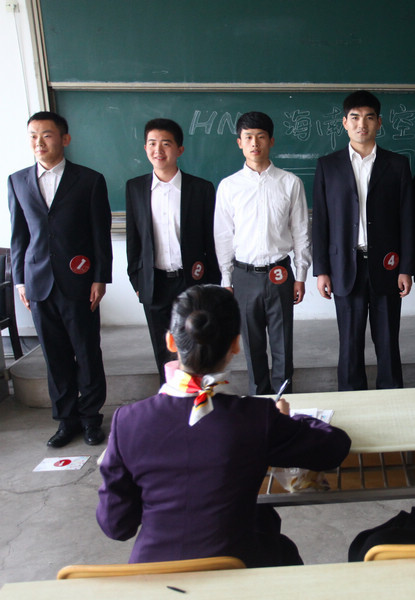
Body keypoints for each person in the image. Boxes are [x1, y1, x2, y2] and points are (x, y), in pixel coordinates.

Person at [96, 285, 351, 567]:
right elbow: (334, 448)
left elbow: (115, 526)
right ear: (235, 345)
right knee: (280, 546)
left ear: (170, 342)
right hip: (234, 573)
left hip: (151, 578)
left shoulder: (127, 421)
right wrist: (286, 419)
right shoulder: (255, 417)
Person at [8, 111, 112, 447]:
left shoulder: (89, 180)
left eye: (47, 135)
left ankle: (91, 418)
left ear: (64, 139)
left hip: (79, 283)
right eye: (33, 136)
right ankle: (65, 420)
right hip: (38, 282)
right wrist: (20, 281)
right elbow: (18, 237)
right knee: (54, 356)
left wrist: (100, 278)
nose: (39, 142)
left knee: (86, 351)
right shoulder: (17, 181)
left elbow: (101, 235)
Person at [312, 90, 415, 391]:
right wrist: (321, 270)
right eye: (355, 118)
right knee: (350, 344)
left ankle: (392, 399)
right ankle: (351, 401)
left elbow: (408, 219)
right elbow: (321, 222)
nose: (362, 124)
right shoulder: (327, 166)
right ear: (344, 122)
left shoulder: (396, 165)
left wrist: (406, 267)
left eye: (369, 118)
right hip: (345, 265)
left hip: (386, 266)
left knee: (387, 342)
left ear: (379, 122)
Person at [214, 111, 310, 395]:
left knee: (282, 347)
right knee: (252, 348)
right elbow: (223, 235)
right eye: (248, 138)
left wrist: (301, 274)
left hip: (280, 273)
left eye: (261, 137)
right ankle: (259, 405)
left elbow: (301, 231)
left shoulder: (290, 183)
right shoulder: (229, 186)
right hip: (243, 276)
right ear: (239, 143)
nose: (255, 143)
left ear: (271, 141)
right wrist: (226, 280)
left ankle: (283, 404)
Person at [126, 118, 220, 383]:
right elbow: (134, 239)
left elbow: (211, 240)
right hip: (154, 282)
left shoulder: (200, 189)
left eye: (166, 143)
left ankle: (200, 401)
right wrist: (136, 278)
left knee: (197, 344)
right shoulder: (135, 188)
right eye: (153, 143)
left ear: (179, 149)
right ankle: (171, 402)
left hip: (191, 280)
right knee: (163, 348)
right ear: (145, 148)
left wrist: (210, 283)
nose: (159, 150)